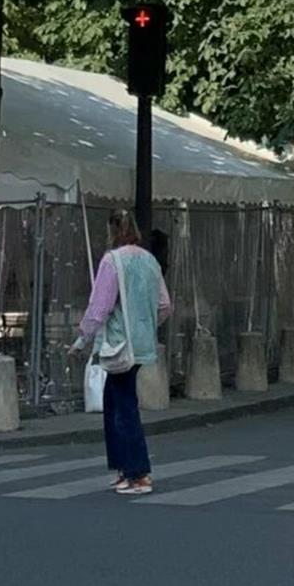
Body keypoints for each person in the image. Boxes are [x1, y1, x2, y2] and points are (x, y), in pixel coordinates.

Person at [72, 211, 170, 496]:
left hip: (118, 343)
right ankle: (124, 469)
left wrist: (82, 340)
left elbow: (99, 306)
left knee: (122, 407)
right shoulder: (150, 261)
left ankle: (137, 473)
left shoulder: (112, 261)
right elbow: (164, 305)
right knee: (116, 401)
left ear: (112, 231)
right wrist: (146, 324)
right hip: (142, 343)